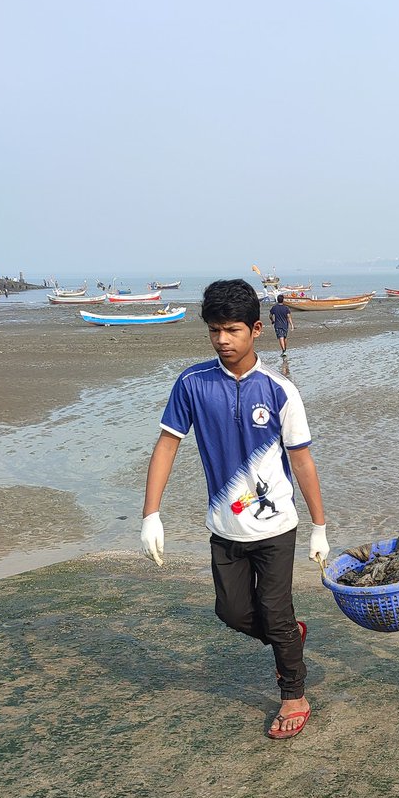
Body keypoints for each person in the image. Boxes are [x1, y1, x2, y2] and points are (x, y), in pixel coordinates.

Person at [140, 278, 331, 740]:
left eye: (232, 330)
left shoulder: (280, 390)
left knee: (276, 608)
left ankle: (294, 694)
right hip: (225, 525)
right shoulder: (192, 383)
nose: (223, 340)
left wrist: (319, 525)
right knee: (232, 612)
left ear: (256, 330)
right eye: (214, 331)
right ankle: (288, 639)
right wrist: (151, 514)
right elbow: (167, 445)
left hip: (276, 525)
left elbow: (302, 460)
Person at [268, 294, 294, 361]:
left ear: (277, 300)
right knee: (284, 337)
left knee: (281, 337)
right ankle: (284, 350)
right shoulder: (286, 308)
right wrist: (292, 325)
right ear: (283, 300)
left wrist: (272, 320)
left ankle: (283, 350)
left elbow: (270, 316)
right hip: (285, 325)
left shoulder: (274, 308)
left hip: (278, 325)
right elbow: (288, 317)